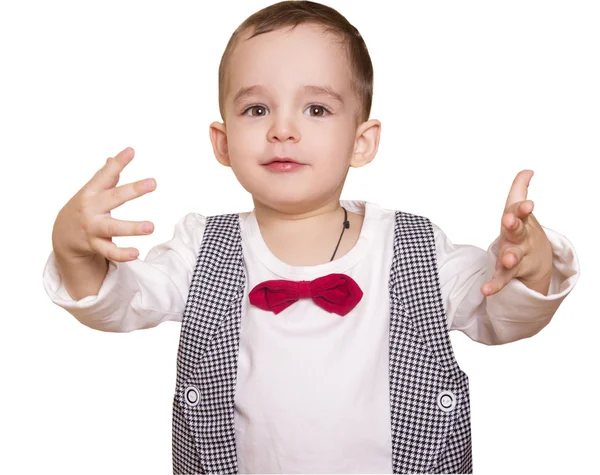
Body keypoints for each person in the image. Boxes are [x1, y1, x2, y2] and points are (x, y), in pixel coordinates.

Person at [42, 1, 579, 473]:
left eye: (316, 109)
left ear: (361, 142)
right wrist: (75, 253)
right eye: (257, 109)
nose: (283, 129)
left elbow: (498, 316)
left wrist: (527, 269)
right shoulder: (198, 248)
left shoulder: (414, 246)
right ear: (223, 142)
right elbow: (118, 304)